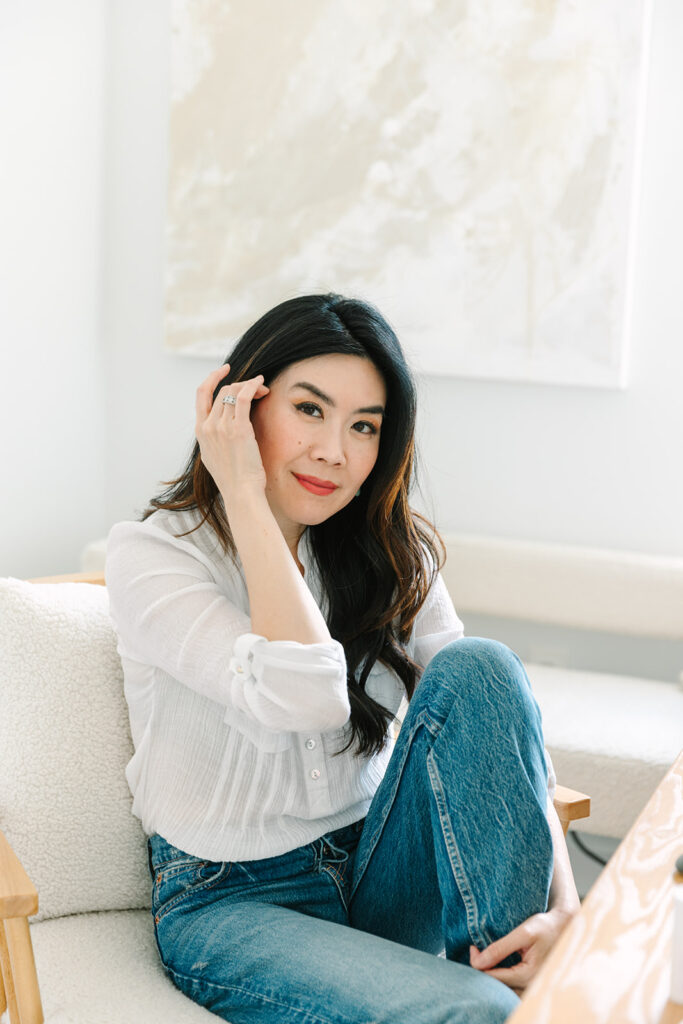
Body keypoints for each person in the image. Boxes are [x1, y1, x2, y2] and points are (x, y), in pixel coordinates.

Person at [106, 293, 579, 1024]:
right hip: (231, 904)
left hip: (375, 867)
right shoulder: (153, 558)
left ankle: (524, 967)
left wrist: (567, 914)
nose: (335, 450)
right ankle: (511, 1003)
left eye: (364, 426)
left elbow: (503, 744)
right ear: (240, 406)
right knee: (474, 1014)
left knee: (481, 666)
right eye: (310, 409)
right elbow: (307, 696)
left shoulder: (391, 551)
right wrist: (243, 496)